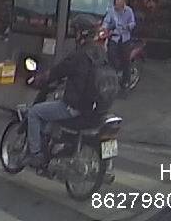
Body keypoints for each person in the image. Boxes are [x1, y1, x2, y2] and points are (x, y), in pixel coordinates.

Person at [23, 19, 109, 168]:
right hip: (96, 108)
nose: (74, 35)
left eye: (76, 31)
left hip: (75, 106)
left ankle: (35, 154)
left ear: (81, 33)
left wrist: (39, 79)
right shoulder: (101, 53)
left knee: (34, 112)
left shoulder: (79, 54)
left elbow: (58, 71)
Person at [103, 0, 137, 88]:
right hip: (114, 37)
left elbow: (133, 23)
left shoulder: (129, 11)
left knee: (126, 59)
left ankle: (126, 81)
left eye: (119, 0)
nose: (116, 2)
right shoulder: (111, 10)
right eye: (116, 0)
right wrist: (104, 28)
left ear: (123, 2)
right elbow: (106, 21)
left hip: (125, 38)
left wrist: (127, 26)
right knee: (110, 55)